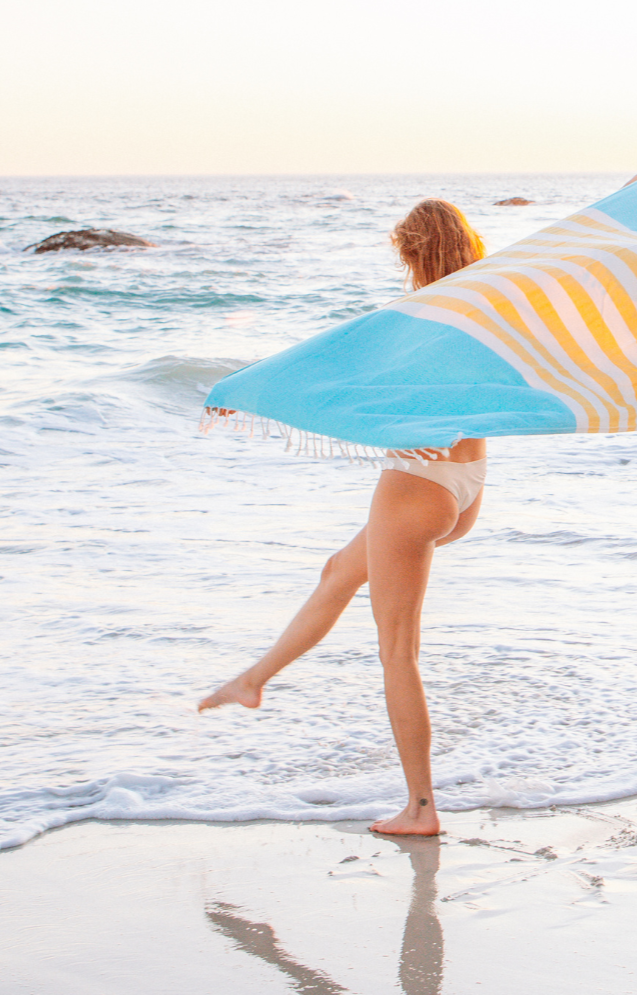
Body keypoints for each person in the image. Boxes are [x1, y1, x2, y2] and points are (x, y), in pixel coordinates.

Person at [198, 197, 489, 836]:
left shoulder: (416, 317)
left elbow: (330, 367)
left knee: (397, 653)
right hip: (467, 482)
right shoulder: (490, 307)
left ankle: (420, 808)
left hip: (417, 486)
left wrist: (242, 394)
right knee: (337, 573)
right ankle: (252, 680)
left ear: (413, 252)